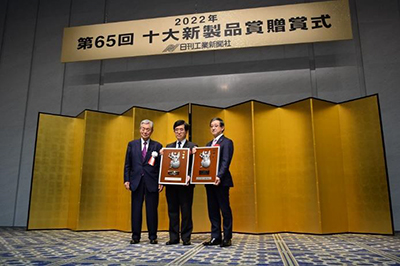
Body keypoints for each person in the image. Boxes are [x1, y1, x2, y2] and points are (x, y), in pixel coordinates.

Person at [124, 119, 163, 244]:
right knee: (136, 210)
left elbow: (161, 166)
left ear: (152, 131)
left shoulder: (157, 146)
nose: (145, 131)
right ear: (140, 129)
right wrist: (126, 180)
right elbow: (127, 164)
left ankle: (153, 236)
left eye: (148, 129)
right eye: (143, 129)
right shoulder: (132, 144)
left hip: (152, 182)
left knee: (152, 210)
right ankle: (136, 236)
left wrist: (161, 181)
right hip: (136, 182)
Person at [163, 120, 197, 246]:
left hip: (186, 186)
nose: (179, 132)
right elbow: (165, 167)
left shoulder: (193, 146)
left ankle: (186, 237)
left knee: (186, 211)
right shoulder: (168, 147)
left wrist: (189, 176)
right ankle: (173, 237)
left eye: (181, 129)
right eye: (176, 130)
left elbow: (195, 165)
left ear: (186, 132)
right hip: (171, 185)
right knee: (172, 211)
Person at [203, 117, 234, 247]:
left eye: (216, 126)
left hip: (221, 181)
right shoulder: (208, 144)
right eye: (212, 126)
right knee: (212, 209)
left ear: (222, 128)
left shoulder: (227, 142)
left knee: (224, 209)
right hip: (210, 182)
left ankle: (227, 237)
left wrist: (219, 176)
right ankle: (215, 237)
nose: (213, 128)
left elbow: (225, 161)